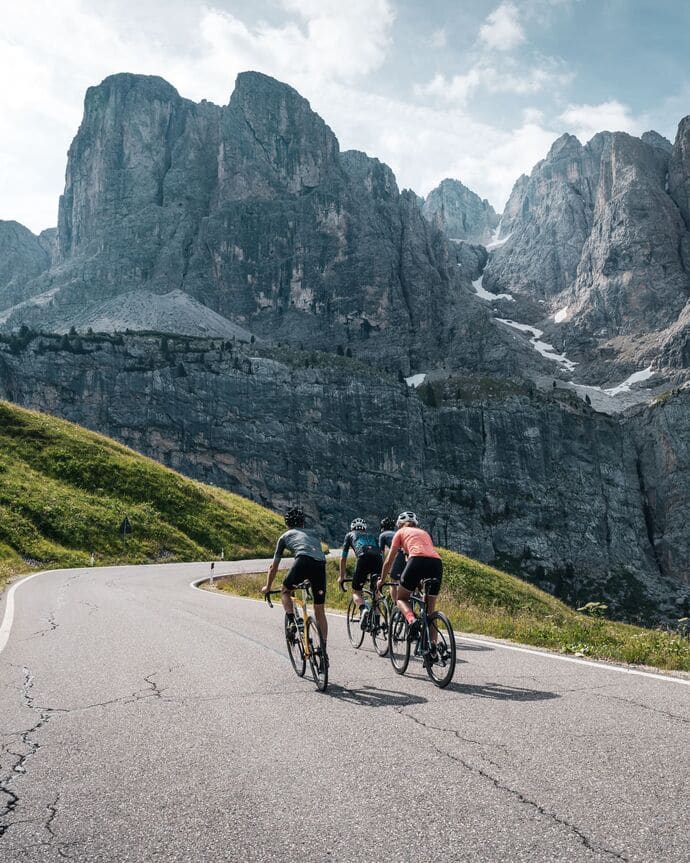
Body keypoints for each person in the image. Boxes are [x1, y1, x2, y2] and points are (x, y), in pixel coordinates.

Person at [262, 506, 328, 670]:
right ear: (303, 523)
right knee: (319, 609)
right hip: (320, 565)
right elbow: (314, 554)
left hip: (302, 561)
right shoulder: (313, 534)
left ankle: (292, 620)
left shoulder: (284, 536)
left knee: (285, 590)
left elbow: (274, 567)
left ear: (287, 523)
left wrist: (268, 587)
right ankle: (323, 650)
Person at [378, 511, 442, 656]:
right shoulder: (424, 533)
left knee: (401, 598)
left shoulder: (400, 533)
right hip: (436, 563)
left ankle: (412, 620)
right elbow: (426, 553)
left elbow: (389, 560)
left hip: (417, 560)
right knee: (430, 612)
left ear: (399, 525)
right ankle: (433, 649)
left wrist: (382, 580)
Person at [339, 517, 383, 629]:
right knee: (375, 592)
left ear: (352, 528)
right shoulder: (372, 536)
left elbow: (343, 558)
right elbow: (380, 553)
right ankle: (377, 622)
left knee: (356, 591)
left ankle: (363, 610)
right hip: (378, 560)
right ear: (364, 528)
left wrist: (342, 576)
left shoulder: (349, 535)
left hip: (363, 559)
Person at [378, 516, 405, 604]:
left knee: (392, 582)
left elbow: (381, 554)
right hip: (407, 555)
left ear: (382, 528)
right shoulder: (397, 533)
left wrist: (382, 569)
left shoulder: (382, 535)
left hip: (399, 555)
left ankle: (396, 608)